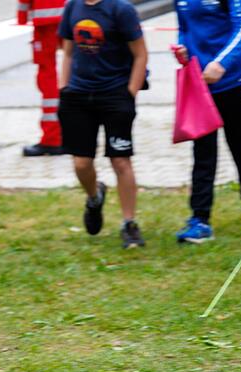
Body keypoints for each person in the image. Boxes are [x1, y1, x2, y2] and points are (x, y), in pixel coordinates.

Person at [173, 0, 241, 244]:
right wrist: (182, 49)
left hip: (234, 81)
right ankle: (200, 219)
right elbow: (184, 26)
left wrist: (221, 63)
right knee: (202, 152)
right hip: (200, 84)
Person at [57, 0, 148, 249]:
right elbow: (67, 52)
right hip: (78, 96)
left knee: (120, 160)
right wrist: (64, 87)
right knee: (81, 163)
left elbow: (140, 55)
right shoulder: (73, 7)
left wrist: (130, 94)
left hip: (115, 95)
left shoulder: (121, 9)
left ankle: (129, 224)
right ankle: (94, 197)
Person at [18, 0, 65, 157]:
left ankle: (52, 139)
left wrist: (22, 16)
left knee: (47, 78)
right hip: (71, 12)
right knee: (76, 68)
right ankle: (74, 133)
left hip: (45, 18)